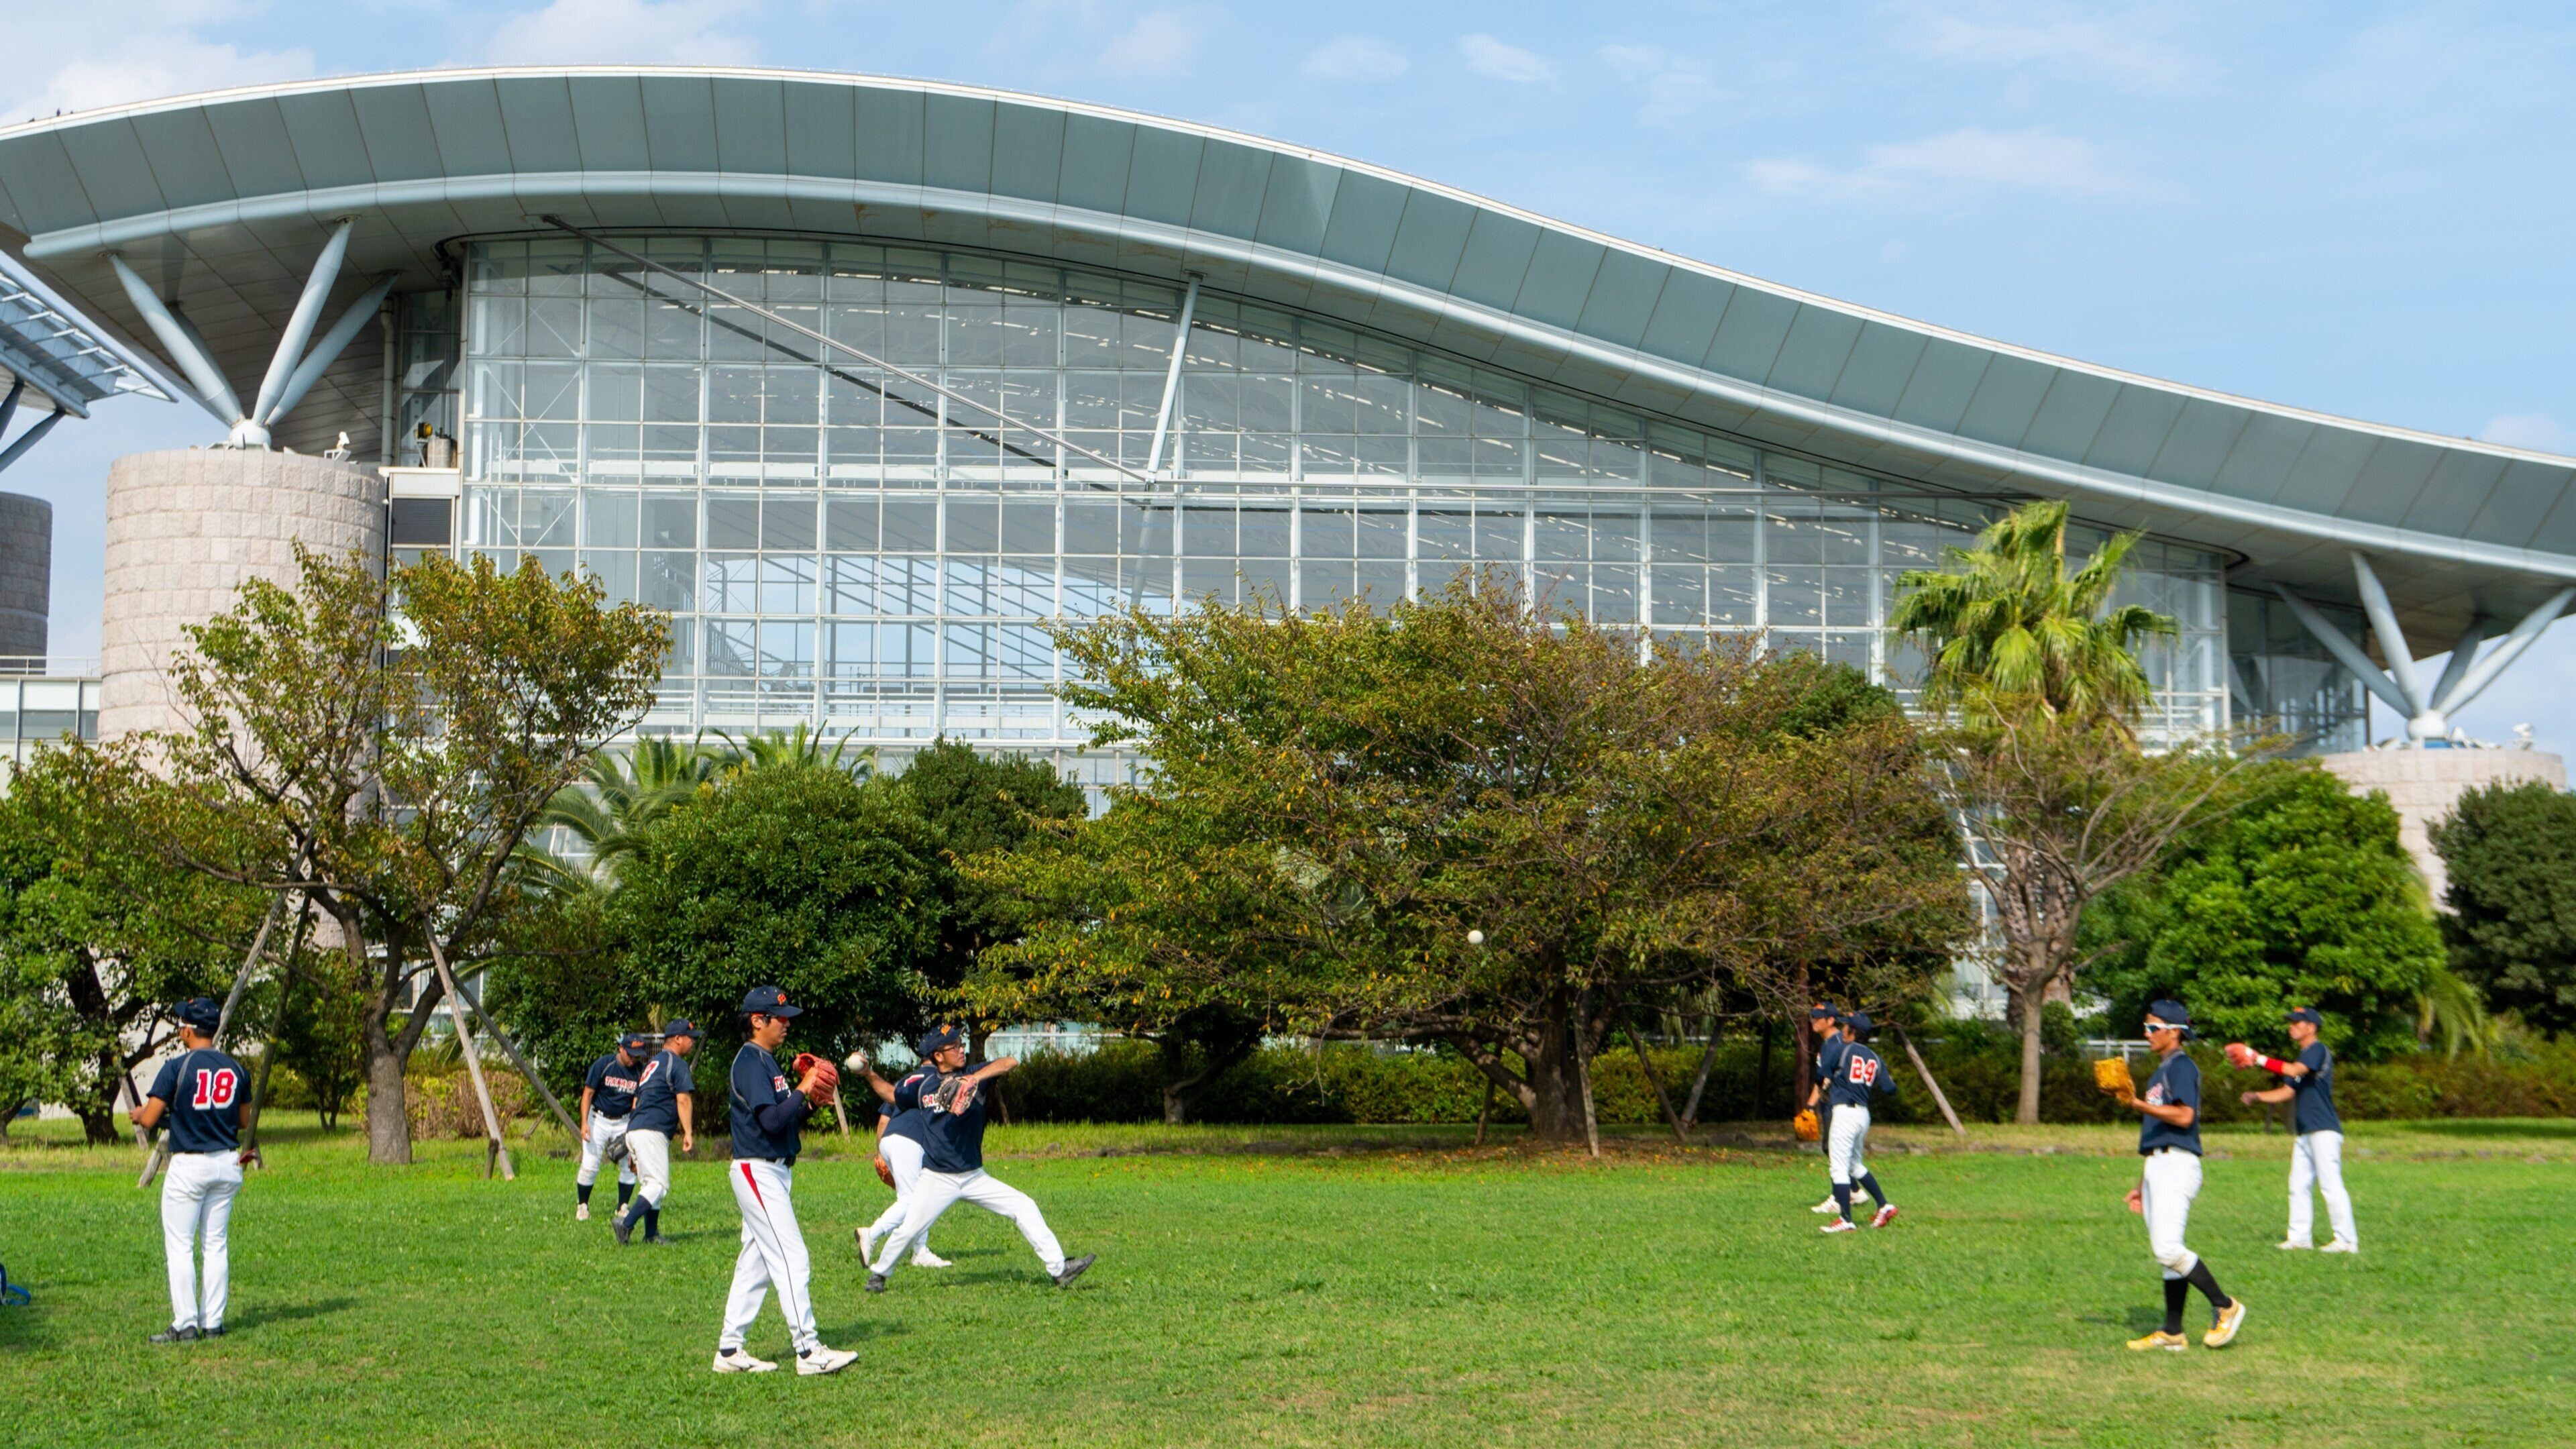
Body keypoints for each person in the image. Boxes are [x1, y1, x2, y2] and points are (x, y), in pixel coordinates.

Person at [865, 1024, 1093, 1294]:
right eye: (955, 1046)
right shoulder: (924, 1086)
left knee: (1024, 1205)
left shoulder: (975, 1075)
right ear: (938, 1056)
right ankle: (878, 1275)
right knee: (909, 1229)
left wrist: (972, 1079)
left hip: (974, 1176)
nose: (962, 1049)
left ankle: (1059, 1269)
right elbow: (893, 1095)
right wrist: (867, 1073)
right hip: (937, 1178)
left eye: (961, 1044)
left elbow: (1010, 1062)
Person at [712, 985, 857, 1375]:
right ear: (758, 1021)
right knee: (793, 1257)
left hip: (771, 1168)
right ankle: (809, 1352)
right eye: (780, 1018)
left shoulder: (766, 1061)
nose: (787, 1023)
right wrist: (804, 1087)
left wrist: (808, 1103)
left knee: (756, 1262)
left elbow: (784, 1120)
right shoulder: (750, 1062)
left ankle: (729, 1351)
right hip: (757, 1169)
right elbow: (771, 1121)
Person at [2121, 1001, 2247, 1352]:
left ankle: (2225, 1305)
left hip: (2178, 1165)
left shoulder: (2181, 1066)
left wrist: (2137, 1104)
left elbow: (2185, 1117)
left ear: (2174, 1031)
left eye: (2152, 1028)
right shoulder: (2159, 1070)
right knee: (2166, 1254)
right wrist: (2140, 1183)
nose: (2146, 1034)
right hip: (2158, 1165)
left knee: (2167, 1248)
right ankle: (2173, 1331)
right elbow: (2158, 1129)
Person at [129, 997, 248, 1344]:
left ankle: (186, 1323)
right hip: (226, 1161)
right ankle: (214, 1322)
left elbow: (150, 1118)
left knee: (181, 1244)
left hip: (189, 1164)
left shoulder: (177, 1067)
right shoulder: (237, 1068)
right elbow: (242, 1121)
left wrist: (141, 1115)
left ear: (188, 1031)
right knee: (215, 1243)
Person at [2232, 1007, 2357, 1254]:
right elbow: (2287, 1091)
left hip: (2324, 1128)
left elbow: (2292, 1071)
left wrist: (2255, 1057)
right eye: (2291, 1022)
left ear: (2311, 1027)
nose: (2292, 1026)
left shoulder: (2317, 1051)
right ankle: (2300, 1238)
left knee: (2330, 1185)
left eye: (2297, 1022)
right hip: (2306, 1131)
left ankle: (2346, 1241)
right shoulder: (2302, 1058)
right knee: (2298, 1184)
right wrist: (2257, 1096)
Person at [852, 1057, 951, 1271]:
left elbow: (883, 1120)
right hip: (910, 1141)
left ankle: (920, 1250)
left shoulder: (906, 1081)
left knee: (920, 1197)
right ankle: (872, 1234)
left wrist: (881, 1154)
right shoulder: (940, 1079)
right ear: (938, 1057)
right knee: (912, 1201)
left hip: (891, 1139)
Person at [615, 1019, 698, 1246]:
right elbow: (683, 1099)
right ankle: (625, 1224)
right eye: (690, 1038)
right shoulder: (677, 1064)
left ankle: (651, 1234)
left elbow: (637, 1100)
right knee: (658, 1185)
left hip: (637, 1127)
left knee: (650, 1185)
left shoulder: (654, 1064)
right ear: (678, 1039)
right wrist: (688, 1132)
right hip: (651, 1130)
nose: (693, 1042)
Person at [1819, 1012, 1900, 1234]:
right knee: (1854, 1165)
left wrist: (1833, 1080)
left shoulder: (1841, 1049)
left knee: (1839, 1167)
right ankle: (1884, 1205)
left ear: (1852, 1032)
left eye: (1846, 1027)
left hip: (1844, 1112)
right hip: (1863, 1114)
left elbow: (1822, 1073)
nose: (1843, 1030)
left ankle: (1846, 1219)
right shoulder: (1875, 1057)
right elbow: (1890, 1089)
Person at [574, 1032, 649, 1222]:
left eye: (637, 1055)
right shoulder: (604, 1064)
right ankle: (583, 1205)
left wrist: (633, 1130)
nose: (633, 1058)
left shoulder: (640, 1071)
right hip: (598, 1119)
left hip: (624, 1121)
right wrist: (584, 1123)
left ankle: (622, 1206)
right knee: (590, 1164)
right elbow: (588, 1093)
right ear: (621, 1049)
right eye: (630, 1053)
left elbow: (637, 1101)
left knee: (630, 1165)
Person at [1804, 1003, 1847, 1216]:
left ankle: (1839, 1198)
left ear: (1830, 1020)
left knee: (1834, 1151)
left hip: (1837, 1104)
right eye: (1812, 1017)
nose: (1813, 1020)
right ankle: (1853, 1191)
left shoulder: (1835, 1044)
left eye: (1817, 1017)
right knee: (1834, 1150)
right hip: (1833, 1103)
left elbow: (1825, 1080)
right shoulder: (1830, 1042)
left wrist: (1810, 1106)